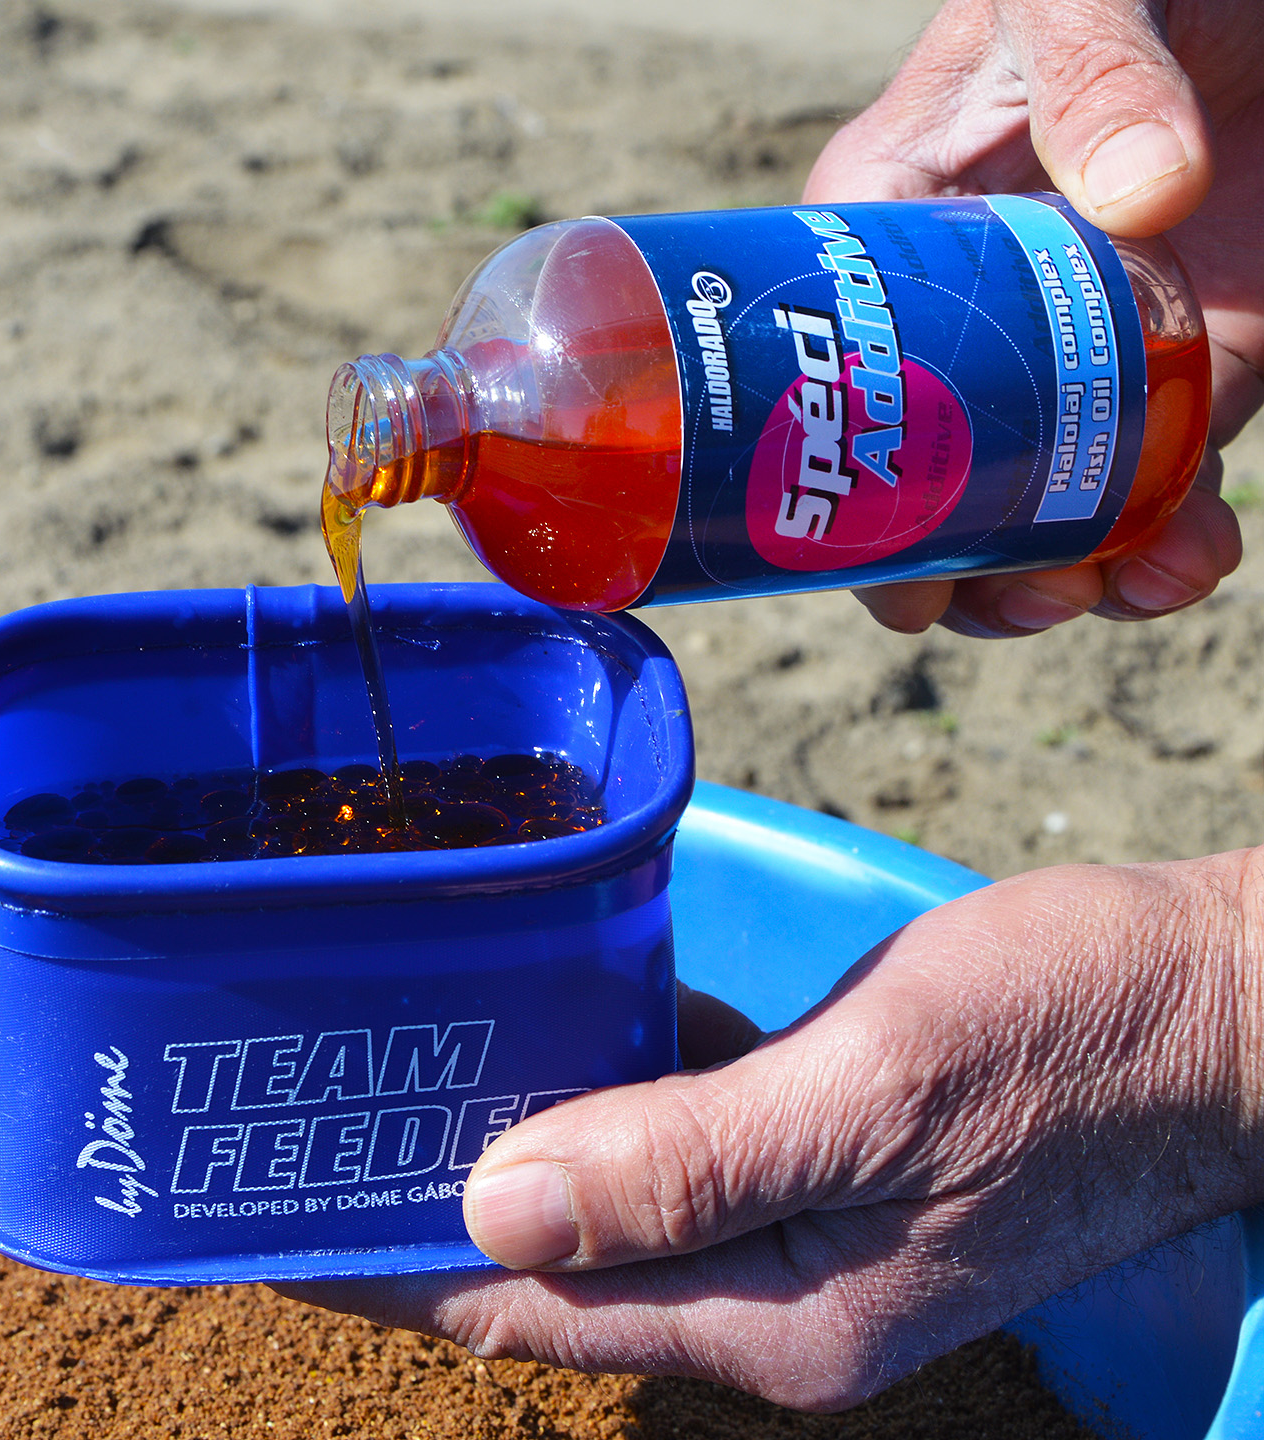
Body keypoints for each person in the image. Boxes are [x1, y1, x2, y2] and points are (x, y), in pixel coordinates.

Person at [278, 0, 1264, 1411]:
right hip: (1098, 331)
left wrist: (1225, 1002)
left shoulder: (549, 307)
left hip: (1086, 311)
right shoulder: (537, 483)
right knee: (982, 517)